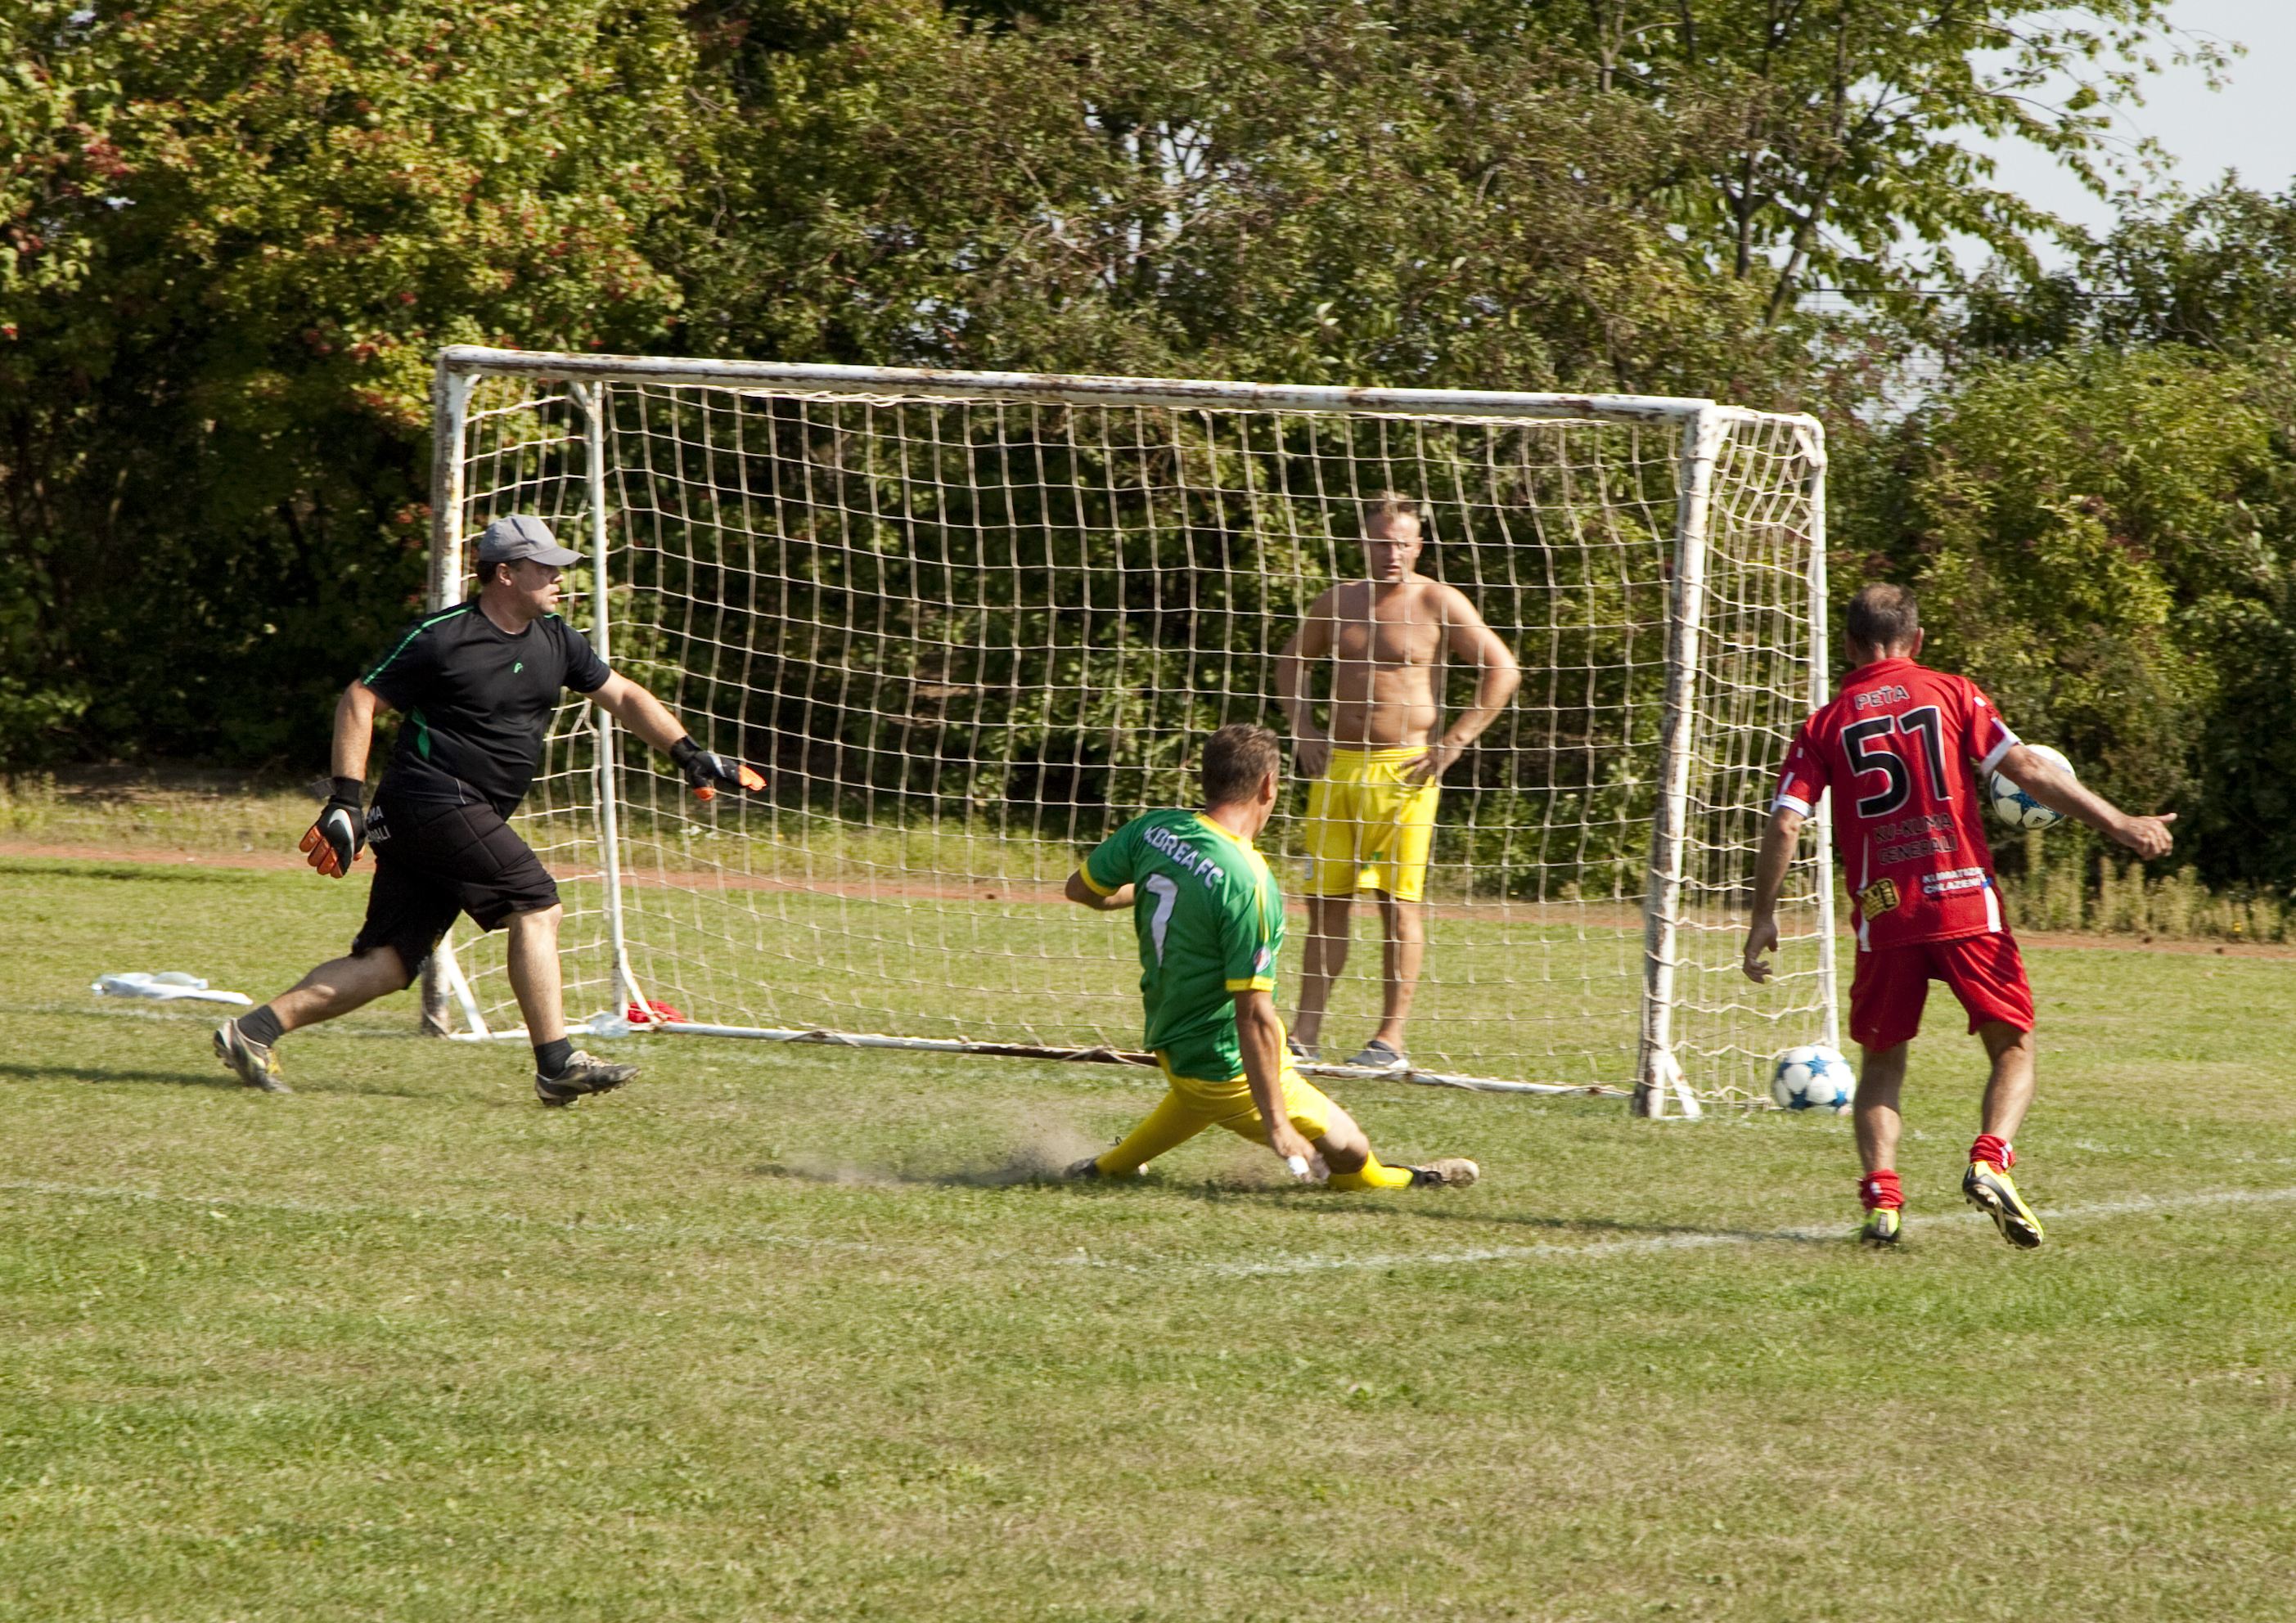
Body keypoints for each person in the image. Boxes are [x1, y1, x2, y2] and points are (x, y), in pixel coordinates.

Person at [211, 515, 764, 1105]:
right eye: (545, 567)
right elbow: (360, 698)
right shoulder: (443, 635)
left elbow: (624, 695)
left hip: (452, 815)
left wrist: (688, 753)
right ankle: (556, 1062)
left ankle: (252, 1031)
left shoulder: (556, 638)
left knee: (389, 964)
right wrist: (345, 799)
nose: (558, 578)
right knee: (537, 904)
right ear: (504, 574)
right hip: (431, 799)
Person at [1742, 582, 2175, 1248]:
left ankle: (1882, 1205)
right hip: (1965, 898)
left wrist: (1763, 917)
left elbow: (1784, 825)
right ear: (1916, 640)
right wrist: (2121, 824)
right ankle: (1989, 1160)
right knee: (2013, 1046)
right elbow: (2027, 768)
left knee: (1882, 1062)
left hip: (1884, 913)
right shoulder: (1952, 692)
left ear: (1852, 646)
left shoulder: (1823, 725)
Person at [1061, 722, 1479, 1190]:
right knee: (1351, 1151)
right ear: (1268, 785)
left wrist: (1168, 883)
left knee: (1196, 1097)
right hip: (1224, 1061)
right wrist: (1278, 1123)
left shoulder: (1154, 829)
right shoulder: (1250, 884)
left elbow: (1083, 891)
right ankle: (1409, 1180)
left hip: (1172, 1036)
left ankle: (1104, 1169)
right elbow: (1253, 1016)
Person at [1275, 492, 1519, 1070]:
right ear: (1365, 543)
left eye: (1402, 543)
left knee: (1397, 904)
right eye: (1381, 541)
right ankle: (1304, 1035)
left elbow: (1502, 668)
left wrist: (1455, 740)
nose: (1391, 553)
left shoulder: (1438, 600)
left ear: (1419, 545)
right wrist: (1303, 728)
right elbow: (1292, 661)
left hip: (1406, 772)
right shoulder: (1337, 602)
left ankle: (1389, 1041)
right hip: (1338, 770)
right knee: (1325, 903)